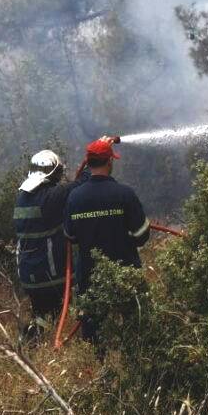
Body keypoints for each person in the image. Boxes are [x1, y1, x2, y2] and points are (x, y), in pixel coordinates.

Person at [64, 137, 149, 339]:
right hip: (125, 272)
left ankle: (98, 364)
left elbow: (70, 236)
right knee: (135, 327)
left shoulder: (74, 197)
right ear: (110, 162)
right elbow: (142, 235)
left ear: (89, 163)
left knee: (93, 332)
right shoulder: (125, 194)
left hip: (89, 276)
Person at [14, 149, 88, 335]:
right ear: (53, 172)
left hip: (29, 275)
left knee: (45, 315)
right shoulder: (51, 196)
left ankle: (30, 339)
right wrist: (93, 158)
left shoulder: (22, 197)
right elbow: (82, 183)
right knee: (67, 309)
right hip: (51, 274)